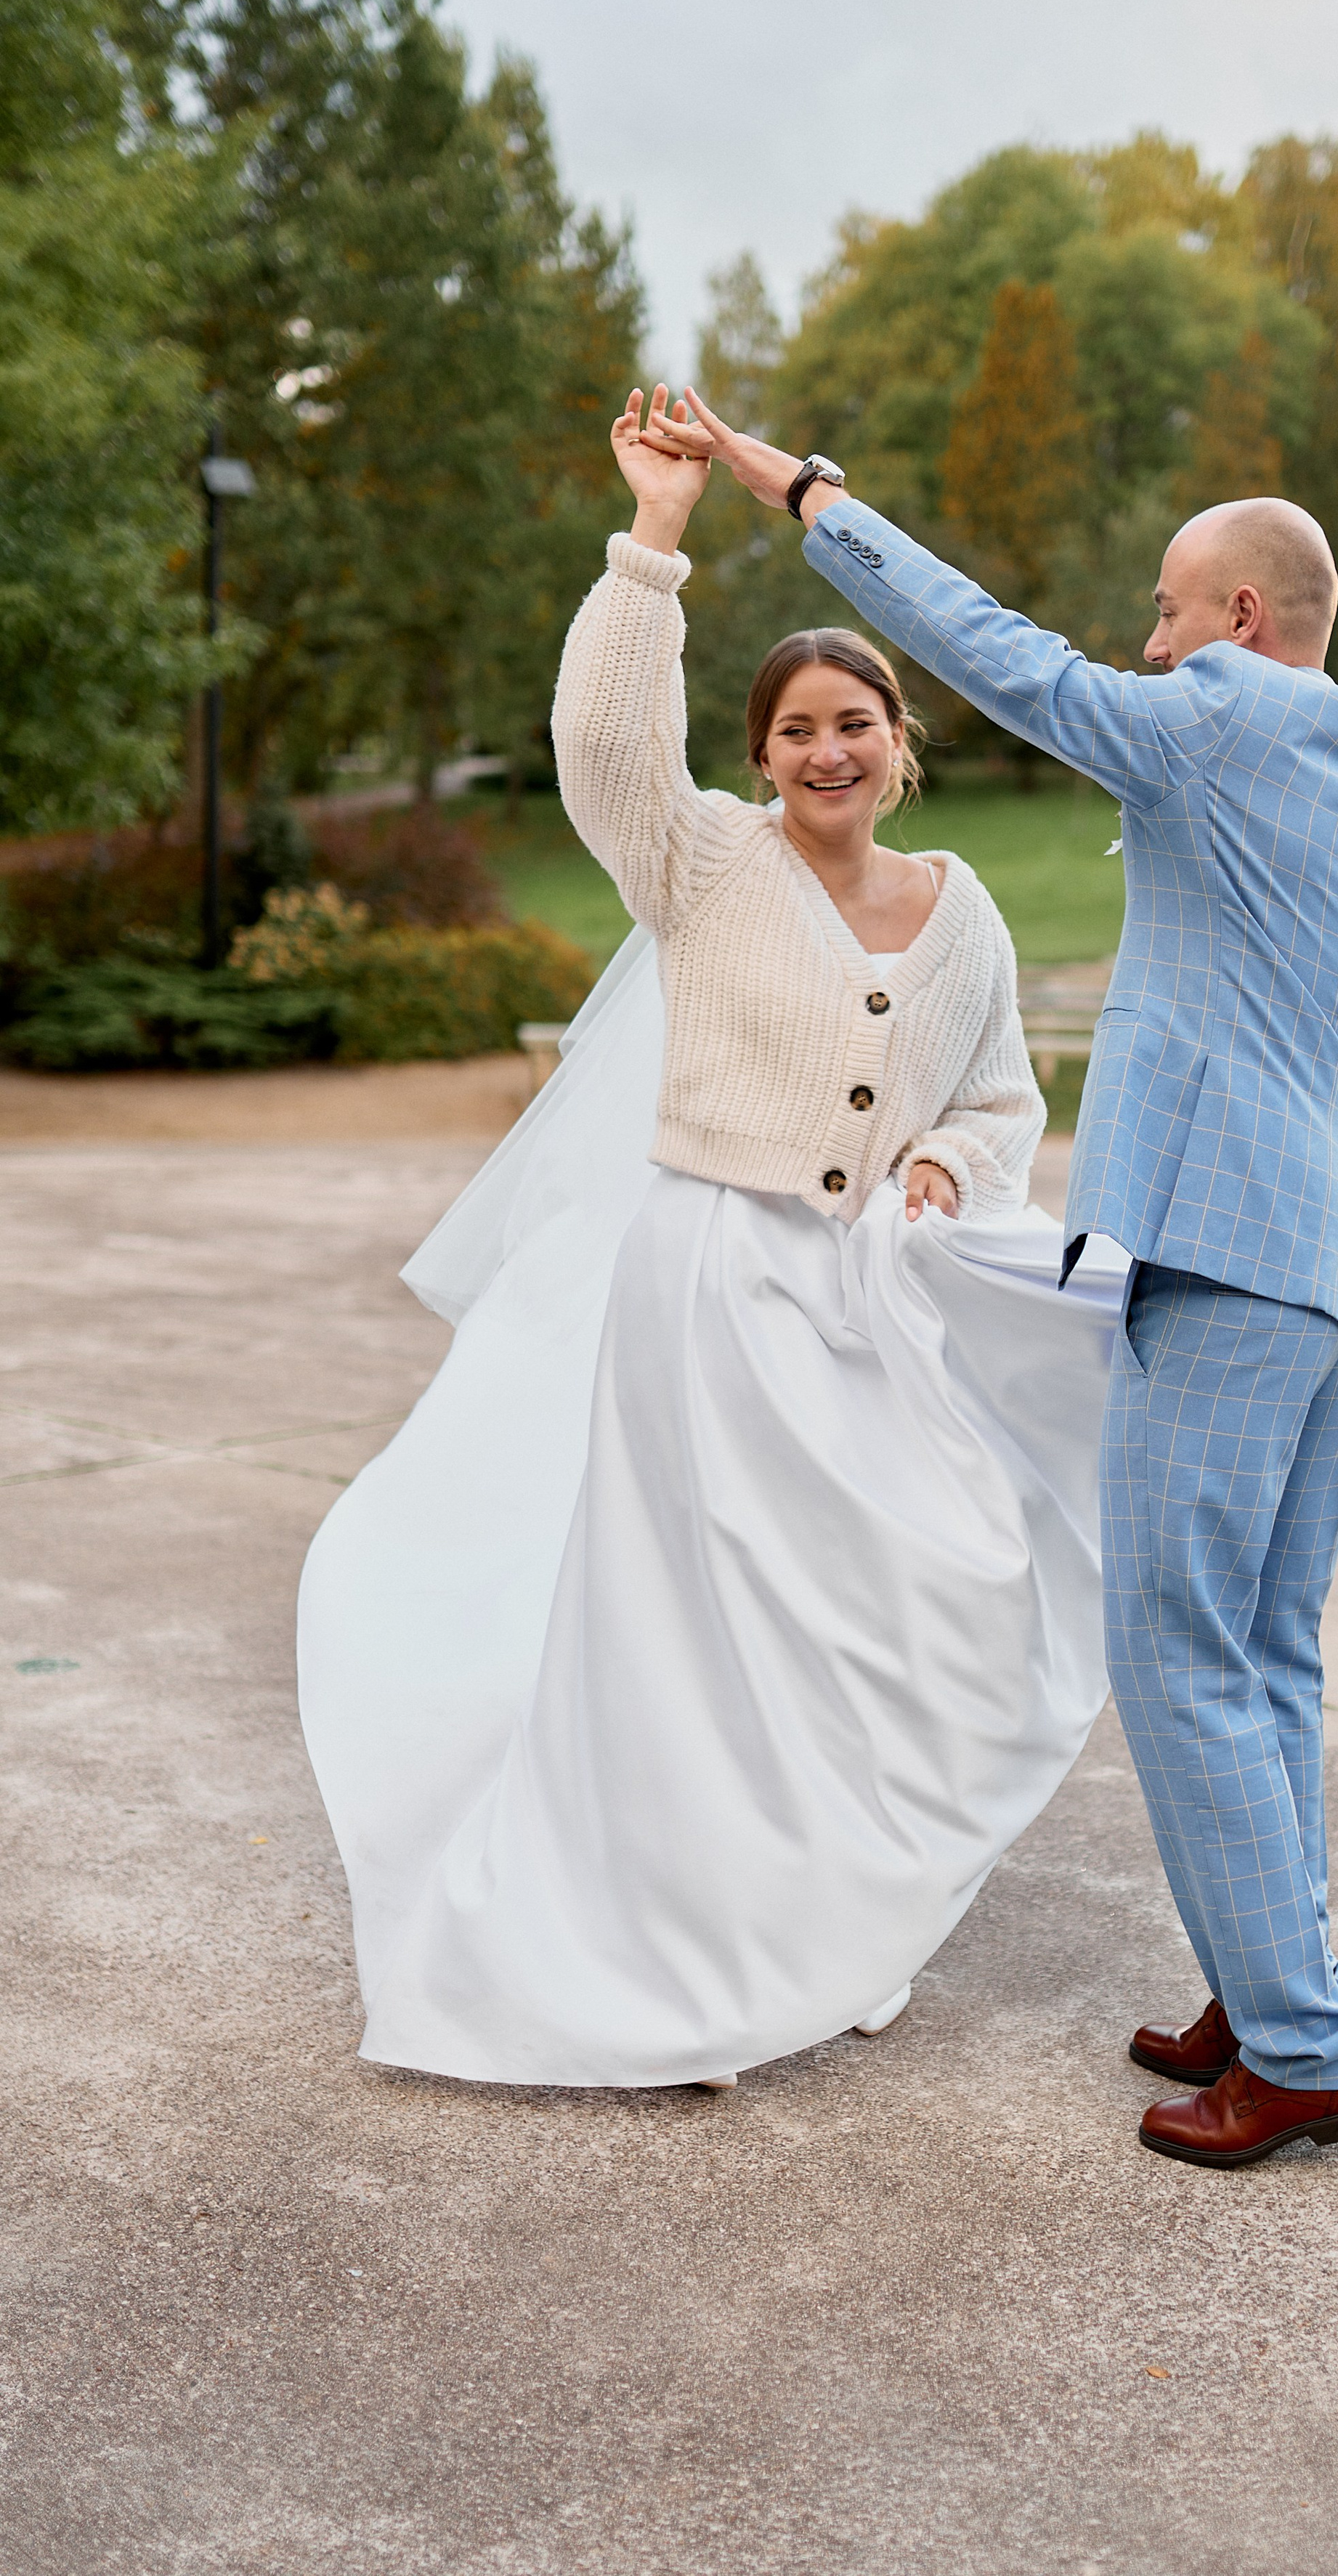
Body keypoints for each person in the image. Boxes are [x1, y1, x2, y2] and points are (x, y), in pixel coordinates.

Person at [651, 391, 1338, 2168]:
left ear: (1238, 619)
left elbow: (995, 652)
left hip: (1225, 1261)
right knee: (1266, 1649)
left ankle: (1308, 2047)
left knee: (1174, 1652)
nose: (1146, 644)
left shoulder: (1211, 726)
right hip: (1329, 1279)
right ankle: (1267, 1980)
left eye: (1166, 613)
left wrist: (802, 493)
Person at [296, 388, 1124, 2092]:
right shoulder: (699, 863)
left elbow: (997, 1094)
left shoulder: (960, 908)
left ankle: (827, 1918)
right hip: (709, 1291)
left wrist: (945, 1167)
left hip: (874, 1311)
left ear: (900, 742)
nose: (828, 750)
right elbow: (603, 746)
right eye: (796, 729)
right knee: (700, 1632)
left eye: (855, 722)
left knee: (892, 1614)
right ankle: (685, 1939)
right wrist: (653, 539)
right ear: (760, 758)